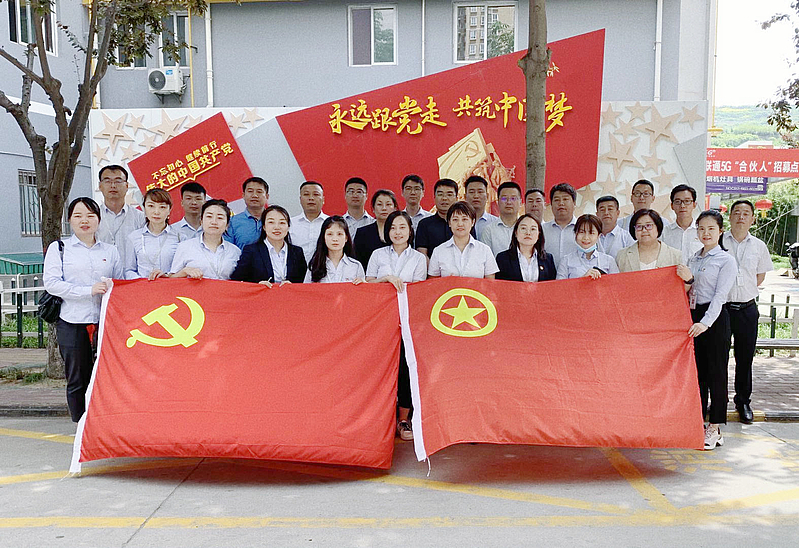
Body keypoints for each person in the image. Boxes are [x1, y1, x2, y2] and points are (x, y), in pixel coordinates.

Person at [43, 197, 123, 423]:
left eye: (90, 215)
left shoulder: (111, 251)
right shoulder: (60, 248)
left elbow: (120, 282)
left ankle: (103, 424)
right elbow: (52, 284)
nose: (84, 221)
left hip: (104, 323)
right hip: (72, 321)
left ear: (98, 219)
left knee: (105, 376)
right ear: (69, 220)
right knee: (77, 378)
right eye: (78, 216)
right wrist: (88, 291)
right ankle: (81, 425)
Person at [366, 211, 427, 441]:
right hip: (379, 321)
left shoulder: (419, 259)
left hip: (407, 320)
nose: (397, 232)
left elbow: (418, 290)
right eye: (393, 228)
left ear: (410, 231)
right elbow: (367, 284)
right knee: (380, 368)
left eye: (402, 227)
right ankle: (380, 419)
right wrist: (386, 279)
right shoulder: (377, 255)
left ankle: (403, 419)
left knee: (404, 369)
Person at [687, 210, 737, 450]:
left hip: (714, 320)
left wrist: (705, 323)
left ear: (720, 231)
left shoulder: (726, 260)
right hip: (693, 317)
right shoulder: (693, 259)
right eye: (701, 229)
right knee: (698, 375)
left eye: (710, 229)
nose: (705, 233)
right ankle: (698, 422)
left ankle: (715, 426)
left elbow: (720, 296)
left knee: (716, 374)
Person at [723, 200, 774, 424]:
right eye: (737, 213)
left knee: (745, 358)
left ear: (753, 219)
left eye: (746, 213)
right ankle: (717, 400)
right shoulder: (719, 241)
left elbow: (759, 276)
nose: (741, 217)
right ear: (730, 217)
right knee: (718, 358)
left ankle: (743, 401)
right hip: (722, 309)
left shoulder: (759, 246)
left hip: (747, 308)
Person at [230, 205, 307, 286]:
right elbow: (237, 280)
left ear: (288, 227)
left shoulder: (297, 252)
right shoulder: (251, 251)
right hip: (261, 294)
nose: (277, 227)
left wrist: (292, 285)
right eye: (271, 222)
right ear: (264, 226)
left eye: (282, 223)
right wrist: (257, 285)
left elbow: (303, 280)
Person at [170, 199, 241, 280]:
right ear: (201, 221)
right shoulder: (185, 247)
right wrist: (184, 272)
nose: (214, 222)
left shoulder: (235, 251)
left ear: (227, 225)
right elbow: (171, 280)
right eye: (209, 216)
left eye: (220, 218)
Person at [428, 201, 499, 278]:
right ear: (449, 223)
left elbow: (490, 282)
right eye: (455, 220)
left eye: (464, 219)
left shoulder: (485, 250)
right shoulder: (439, 251)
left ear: (472, 222)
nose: (460, 224)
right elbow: (433, 282)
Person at [124, 188, 183, 280]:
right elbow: (129, 270)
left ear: (169, 210)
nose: (156, 212)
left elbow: (183, 269)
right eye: (151, 206)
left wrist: (167, 276)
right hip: (142, 286)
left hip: (171, 286)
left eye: (162, 207)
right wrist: (142, 282)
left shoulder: (180, 237)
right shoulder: (134, 237)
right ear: (144, 208)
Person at [95, 164, 145, 261]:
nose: (113, 186)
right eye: (107, 181)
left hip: (132, 270)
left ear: (127, 186)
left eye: (118, 181)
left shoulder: (139, 217)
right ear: (100, 186)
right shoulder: (93, 217)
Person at [616, 209, 687, 275]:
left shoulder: (675, 256)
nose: (644, 230)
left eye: (648, 225)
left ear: (658, 227)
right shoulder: (622, 256)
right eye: (639, 226)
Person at [556, 214, 619, 280]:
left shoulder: (609, 261)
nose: (586, 237)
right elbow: (560, 286)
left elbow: (617, 284)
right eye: (581, 232)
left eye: (591, 233)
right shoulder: (566, 261)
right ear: (575, 233)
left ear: (598, 236)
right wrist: (583, 280)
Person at [496, 214, 556, 282]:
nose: (528, 233)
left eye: (533, 229)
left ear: (539, 234)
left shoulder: (548, 259)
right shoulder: (502, 258)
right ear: (515, 233)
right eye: (523, 228)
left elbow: (552, 285)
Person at [306, 216, 365, 283]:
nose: (335, 239)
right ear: (323, 238)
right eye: (330, 234)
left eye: (339, 234)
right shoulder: (315, 265)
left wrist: (363, 284)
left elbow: (363, 289)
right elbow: (305, 288)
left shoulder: (355, 266)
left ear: (346, 238)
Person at [416, 179, 460, 258]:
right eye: (440, 194)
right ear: (434, 197)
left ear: (457, 198)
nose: (444, 198)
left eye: (449, 194)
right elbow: (422, 254)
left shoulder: (465, 223)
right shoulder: (424, 224)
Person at [354, 189, 398, 268]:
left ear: (395, 208)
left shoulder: (401, 233)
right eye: (379, 204)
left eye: (388, 204)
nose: (384, 208)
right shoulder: (362, 233)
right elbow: (357, 263)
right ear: (373, 208)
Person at [662, 184, 703, 265]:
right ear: (672, 206)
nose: (682, 206)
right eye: (678, 202)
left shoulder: (702, 231)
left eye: (687, 201)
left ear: (694, 204)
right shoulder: (664, 233)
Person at [290, 181, 329, 263]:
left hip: (325, 269)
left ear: (323, 199)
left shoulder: (331, 223)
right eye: (306, 194)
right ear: (300, 199)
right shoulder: (290, 224)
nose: (311, 198)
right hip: (296, 269)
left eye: (316, 194)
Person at [480, 181, 522, 256]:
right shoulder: (489, 231)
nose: (509, 202)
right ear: (498, 202)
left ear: (520, 202)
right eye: (504, 198)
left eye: (513, 198)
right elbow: (484, 258)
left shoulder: (527, 229)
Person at [225, 177, 269, 248]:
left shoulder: (276, 220)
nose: (255, 195)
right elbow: (228, 249)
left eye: (259, 192)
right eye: (250, 191)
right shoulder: (232, 222)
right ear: (243, 195)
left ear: (267, 196)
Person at [542, 183, 579, 267]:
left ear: (574, 203)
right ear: (551, 205)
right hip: (548, 275)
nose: (561, 203)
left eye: (565, 199)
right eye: (557, 200)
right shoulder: (542, 230)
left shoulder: (583, 229)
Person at [465, 175, 499, 239]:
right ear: (465, 197)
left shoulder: (495, 223)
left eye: (480, 192)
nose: (476, 196)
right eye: (472, 192)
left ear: (487, 196)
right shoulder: (458, 223)